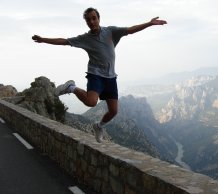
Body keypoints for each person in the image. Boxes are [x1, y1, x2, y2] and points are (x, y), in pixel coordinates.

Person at [32, 7, 167, 143]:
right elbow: (64, 41)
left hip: (111, 77)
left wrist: (149, 24)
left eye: (94, 18)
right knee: (91, 102)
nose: (91, 22)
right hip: (95, 75)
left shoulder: (111, 32)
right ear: (86, 22)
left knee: (114, 111)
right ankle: (71, 87)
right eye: (88, 20)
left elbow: (130, 30)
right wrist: (43, 39)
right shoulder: (85, 38)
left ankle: (98, 126)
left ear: (98, 19)